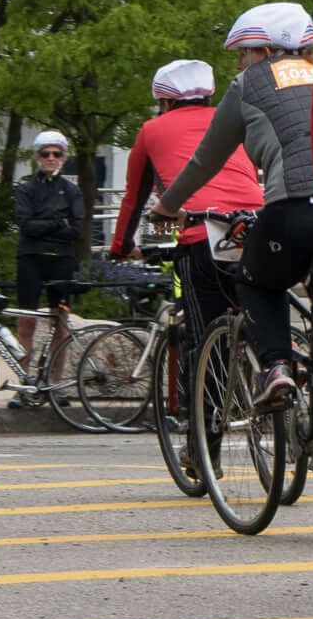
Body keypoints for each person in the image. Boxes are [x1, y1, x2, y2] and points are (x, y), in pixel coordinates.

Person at [165, 1, 313, 406]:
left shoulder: (251, 83)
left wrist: (166, 205)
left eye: (242, 54)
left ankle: (276, 367)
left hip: (295, 206)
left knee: (255, 278)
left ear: (264, 51)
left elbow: (205, 160)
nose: (238, 65)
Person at [112, 56, 265, 414]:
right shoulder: (232, 121)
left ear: (164, 101)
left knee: (203, 334)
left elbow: (134, 198)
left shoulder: (152, 130)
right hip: (256, 225)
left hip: (202, 236)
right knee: (260, 316)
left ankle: (204, 435)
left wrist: (122, 248)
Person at [9, 129, 85, 381]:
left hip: (61, 260)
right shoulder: (26, 190)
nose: (51, 158)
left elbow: (75, 230)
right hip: (30, 258)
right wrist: (56, 221)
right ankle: (24, 382)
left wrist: (43, 224)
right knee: (25, 323)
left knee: (60, 323)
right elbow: (26, 226)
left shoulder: (72, 191)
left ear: (64, 157)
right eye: (46, 153)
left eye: (57, 153)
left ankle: (56, 384)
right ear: (37, 157)